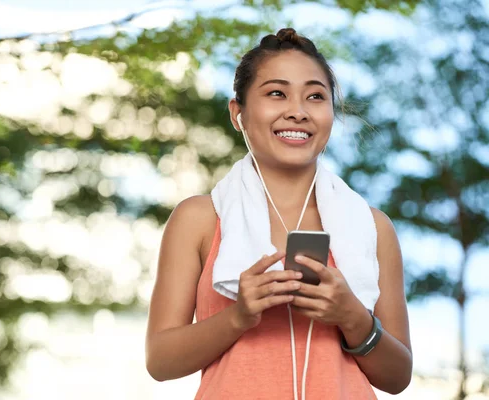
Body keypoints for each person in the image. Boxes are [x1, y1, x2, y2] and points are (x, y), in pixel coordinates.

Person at [145, 28, 412, 399]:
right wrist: (237, 317)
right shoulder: (200, 219)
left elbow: (398, 377)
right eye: (276, 93)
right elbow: (160, 361)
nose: (298, 111)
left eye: (316, 96)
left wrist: (352, 316)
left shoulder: (372, 227)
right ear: (237, 112)